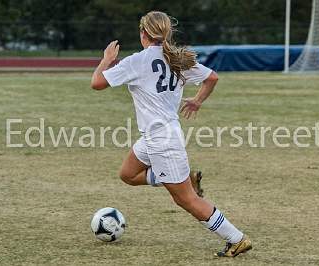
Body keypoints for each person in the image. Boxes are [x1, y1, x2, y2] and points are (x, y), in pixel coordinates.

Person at [90, 11, 252, 257]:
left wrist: (107, 59)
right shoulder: (176, 58)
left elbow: (97, 83)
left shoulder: (138, 60)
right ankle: (187, 178)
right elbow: (212, 77)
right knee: (128, 174)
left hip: (163, 142)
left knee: (186, 200)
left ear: (143, 34)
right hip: (155, 137)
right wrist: (197, 101)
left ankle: (237, 239)